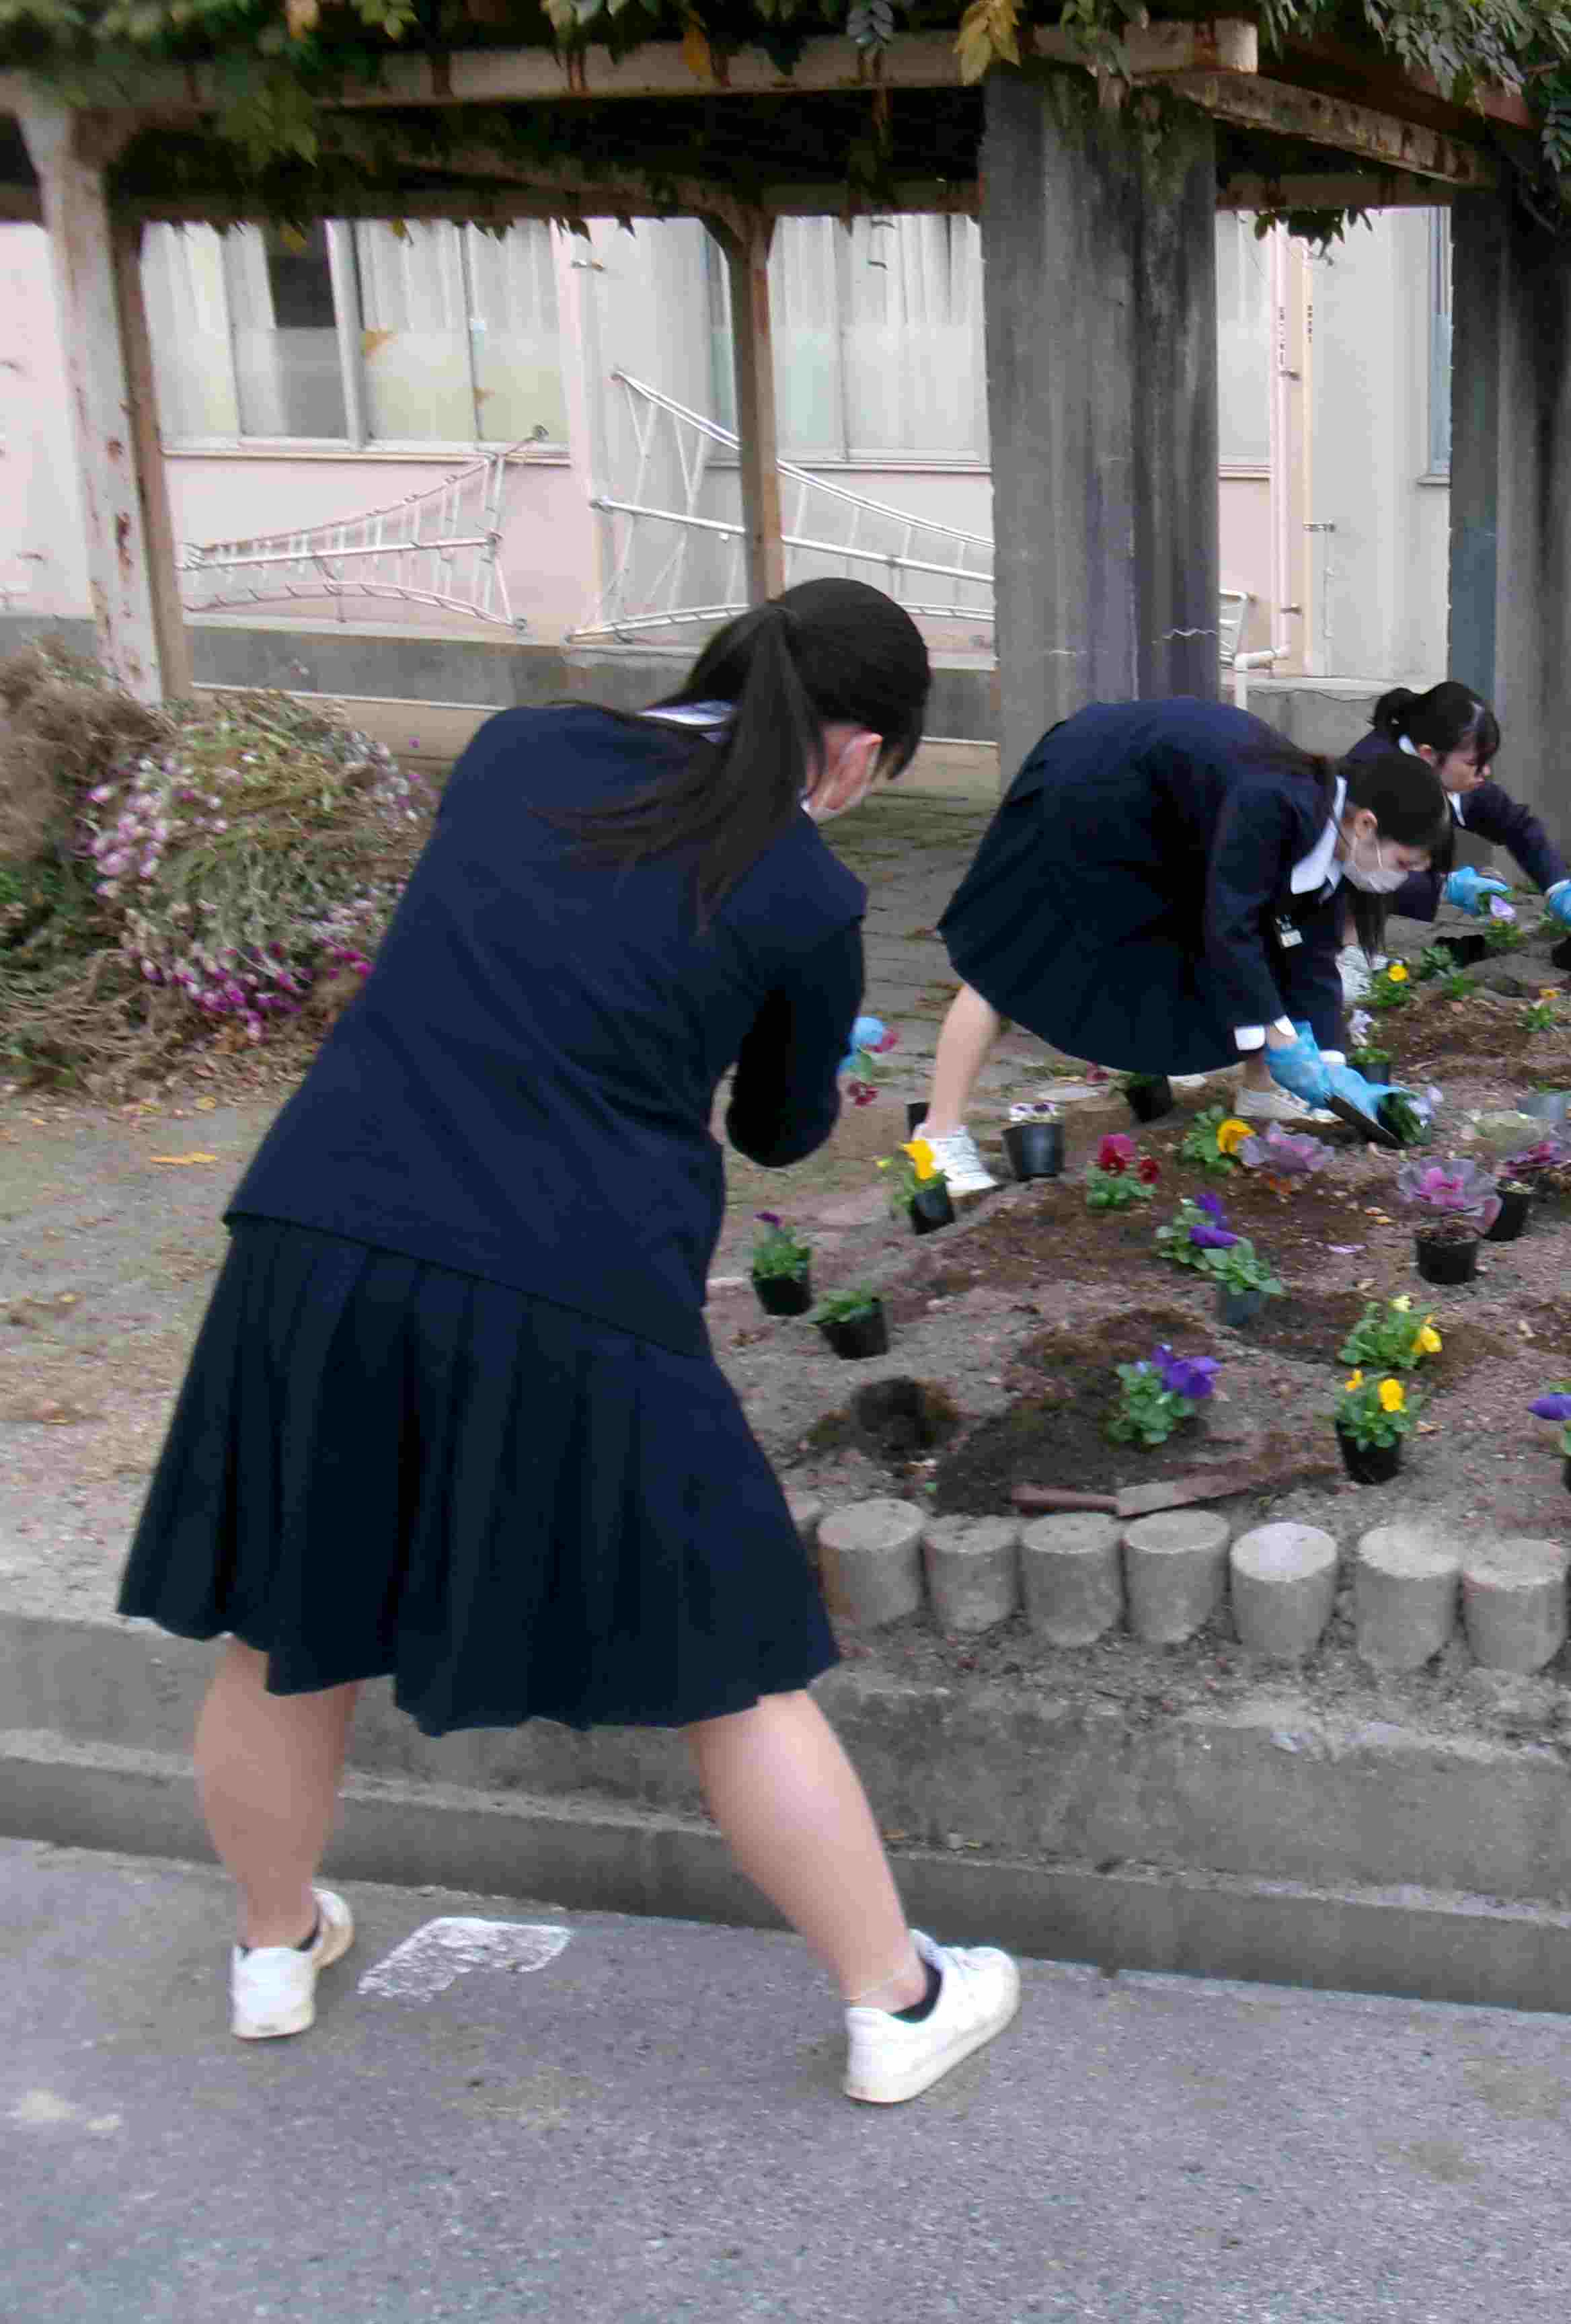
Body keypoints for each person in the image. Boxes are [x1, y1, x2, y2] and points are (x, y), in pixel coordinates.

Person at [115, 578, 1020, 2103]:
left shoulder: (515, 747)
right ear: (859, 751)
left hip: (321, 1223)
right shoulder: (801, 890)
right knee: (736, 1655)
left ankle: (275, 1946)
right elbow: (781, 1128)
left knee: (282, 1621)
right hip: (566, 1273)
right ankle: (897, 1996)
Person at [915, 696, 1447, 1193]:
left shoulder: (1332, 831)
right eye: (1404, 864)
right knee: (1019, 955)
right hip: (1090, 790)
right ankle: (938, 1137)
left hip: (1162, 813)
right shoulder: (1276, 804)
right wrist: (1282, 1038)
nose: (1399, 882)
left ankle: (1261, 1091)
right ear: (1368, 823)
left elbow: (1309, 955)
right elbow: (1232, 927)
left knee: (1267, 953)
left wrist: (1332, 1066)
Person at [1337, 680, 1571, 1001]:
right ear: (1429, 755)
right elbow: (1359, 868)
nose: (1486, 772)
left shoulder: (1447, 773)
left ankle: (1357, 951)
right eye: (1475, 764)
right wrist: (1444, 888)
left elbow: (1516, 825)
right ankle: (1342, 955)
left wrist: (1559, 886)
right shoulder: (1374, 773)